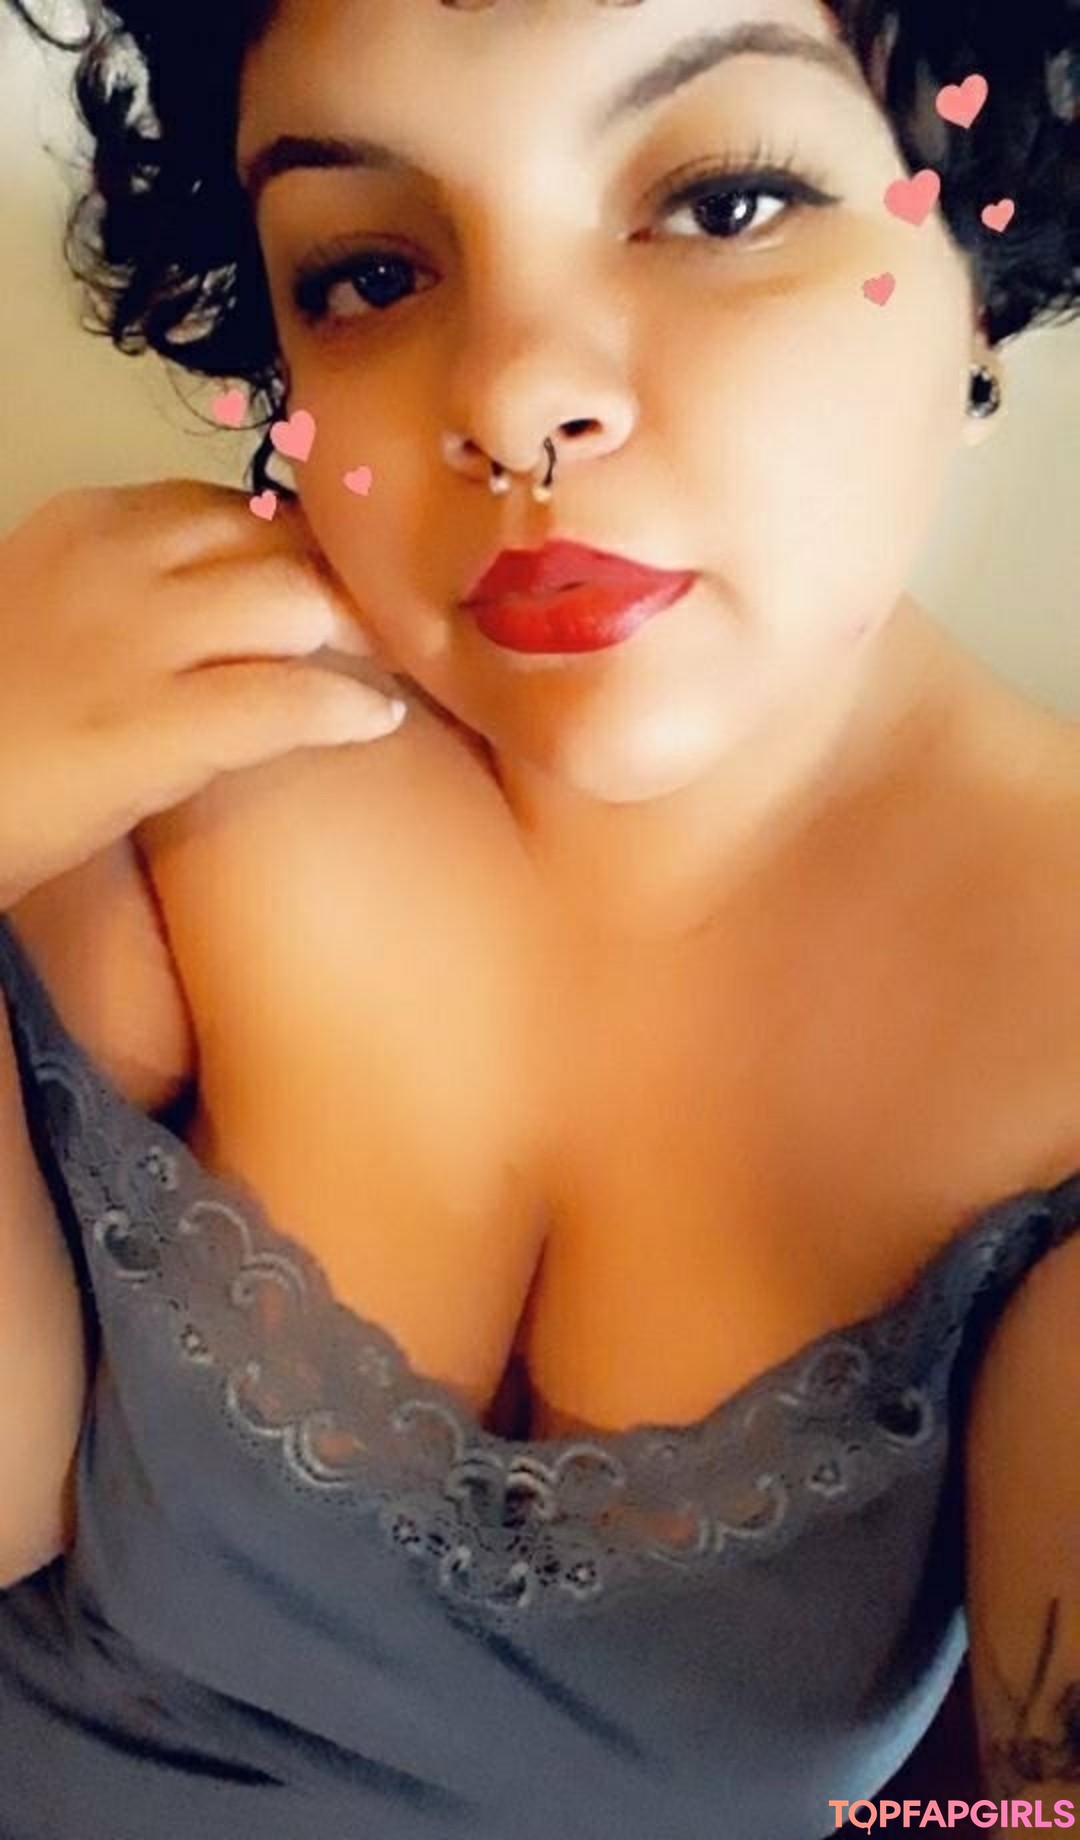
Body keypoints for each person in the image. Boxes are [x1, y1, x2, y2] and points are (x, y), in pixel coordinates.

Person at [0, 0, 1077, 1835]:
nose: (510, 398)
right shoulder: (160, 718)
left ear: (981, 238)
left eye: (725, 203)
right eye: (369, 271)